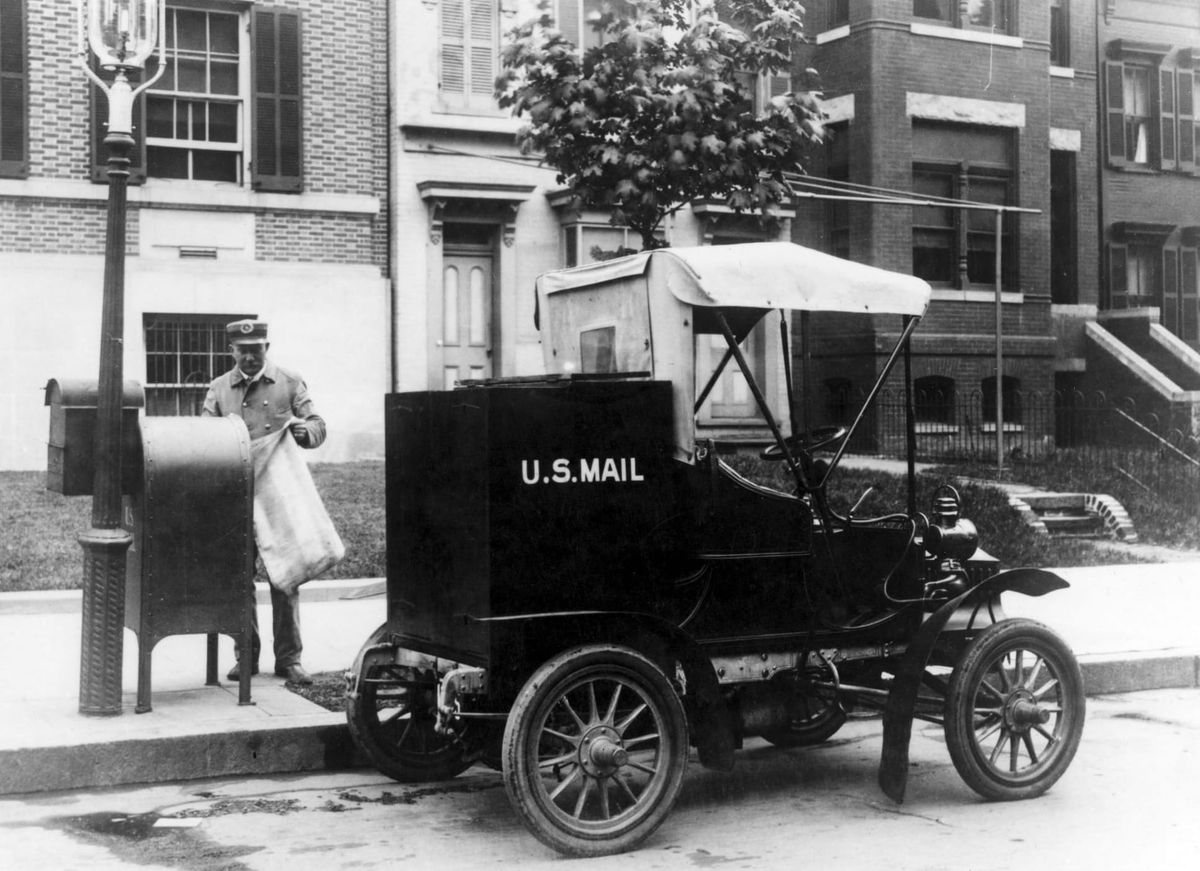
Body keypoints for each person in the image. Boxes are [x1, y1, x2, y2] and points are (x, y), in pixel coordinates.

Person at [202, 319, 326, 686]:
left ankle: (289, 658)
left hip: (278, 496)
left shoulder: (288, 381)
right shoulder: (219, 389)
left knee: (284, 577)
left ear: (266, 348)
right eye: (244, 352)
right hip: (235, 496)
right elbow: (205, 435)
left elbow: (317, 422)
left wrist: (309, 432)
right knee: (239, 578)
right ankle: (246, 656)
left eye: (257, 350)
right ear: (232, 352)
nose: (251, 357)